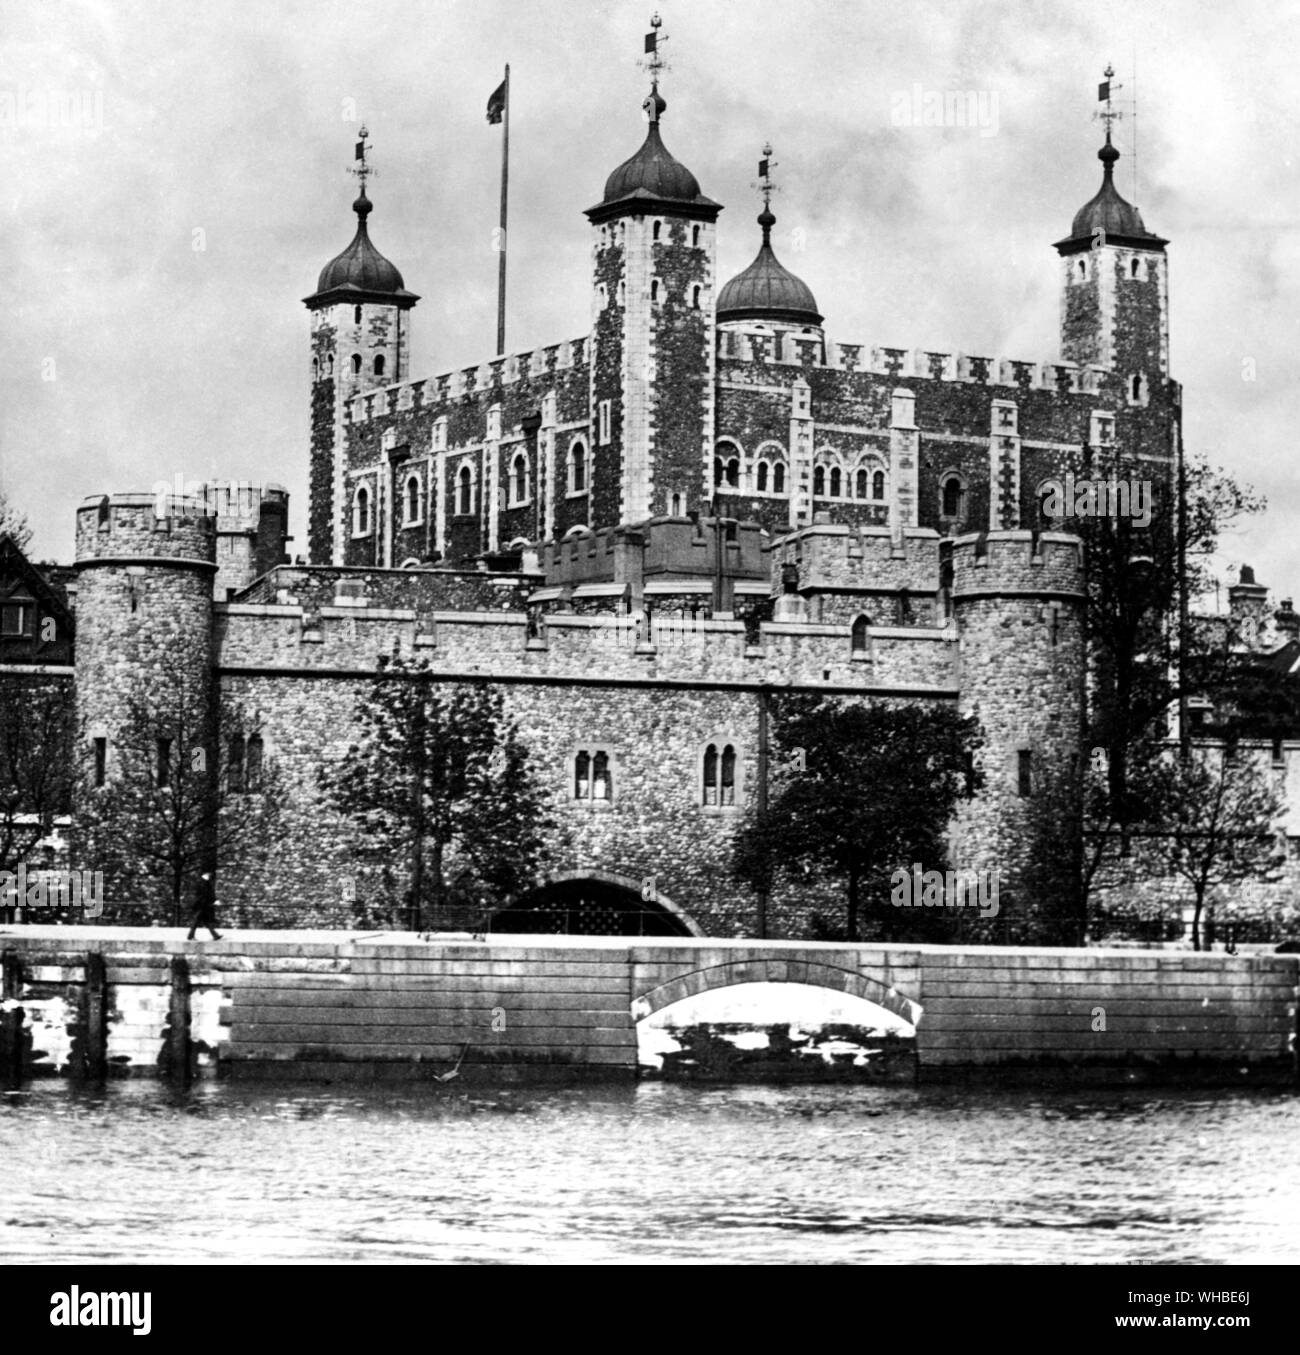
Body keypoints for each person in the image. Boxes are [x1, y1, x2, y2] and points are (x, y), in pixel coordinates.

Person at [187, 871, 222, 941]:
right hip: (201, 905)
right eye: (208, 875)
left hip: (203, 905)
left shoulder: (204, 883)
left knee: (204, 921)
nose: (209, 876)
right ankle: (190, 936)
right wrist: (213, 901)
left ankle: (215, 935)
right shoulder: (202, 883)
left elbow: (209, 894)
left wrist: (214, 900)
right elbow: (205, 895)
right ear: (205, 875)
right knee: (198, 921)